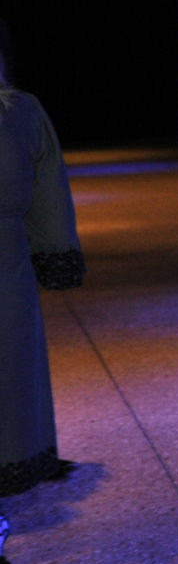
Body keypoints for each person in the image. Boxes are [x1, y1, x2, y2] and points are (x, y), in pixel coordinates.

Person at [1, 71, 82, 496]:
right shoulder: (20, 113)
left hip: (7, 257)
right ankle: (14, 453)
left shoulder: (21, 113)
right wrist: (56, 250)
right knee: (11, 363)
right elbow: (47, 189)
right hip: (6, 262)